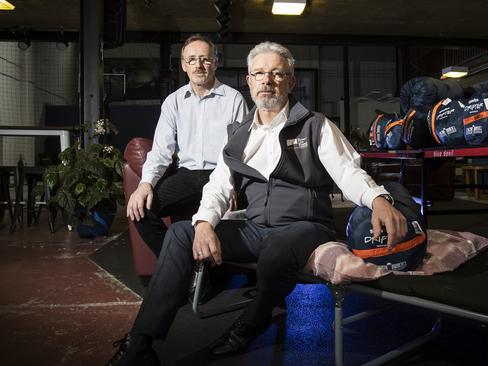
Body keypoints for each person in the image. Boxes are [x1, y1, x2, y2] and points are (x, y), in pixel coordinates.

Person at [108, 41, 407, 366]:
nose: (268, 80)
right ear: (249, 81)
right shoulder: (239, 134)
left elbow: (348, 170)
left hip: (306, 227)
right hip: (257, 229)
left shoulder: (316, 125)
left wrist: (377, 198)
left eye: (278, 74)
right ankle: (140, 343)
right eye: (260, 73)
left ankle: (252, 322)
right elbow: (219, 184)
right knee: (182, 232)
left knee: (277, 246)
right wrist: (205, 223)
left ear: (290, 82)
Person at [126, 34, 248, 256]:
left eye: (205, 59)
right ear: (184, 65)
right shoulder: (173, 102)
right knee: (140, 210)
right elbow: (161, 151)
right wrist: (145, 184)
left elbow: (238, 150)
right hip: (187, 175)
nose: (199, 65)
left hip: (220, 173)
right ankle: (179, 261)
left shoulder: (234, 99)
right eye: (192, 59)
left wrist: (232, 183)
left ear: (216, 62)